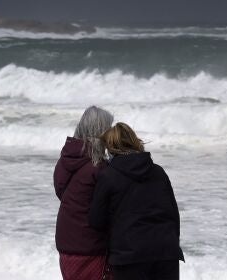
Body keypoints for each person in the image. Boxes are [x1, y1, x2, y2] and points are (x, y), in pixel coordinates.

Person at [89, 122, 184, 280]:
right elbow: (174, 215)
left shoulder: (108, 176)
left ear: (110, 147)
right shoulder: (158, 172)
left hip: (129, 256)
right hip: (166, 252)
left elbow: (96, 221)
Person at [54, 106, 114, 280]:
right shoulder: (98, 167)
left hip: (66, 242)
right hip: (89, 246)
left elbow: (63, 194)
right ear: (100, 131)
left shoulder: (66, 160)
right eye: (109, 129)